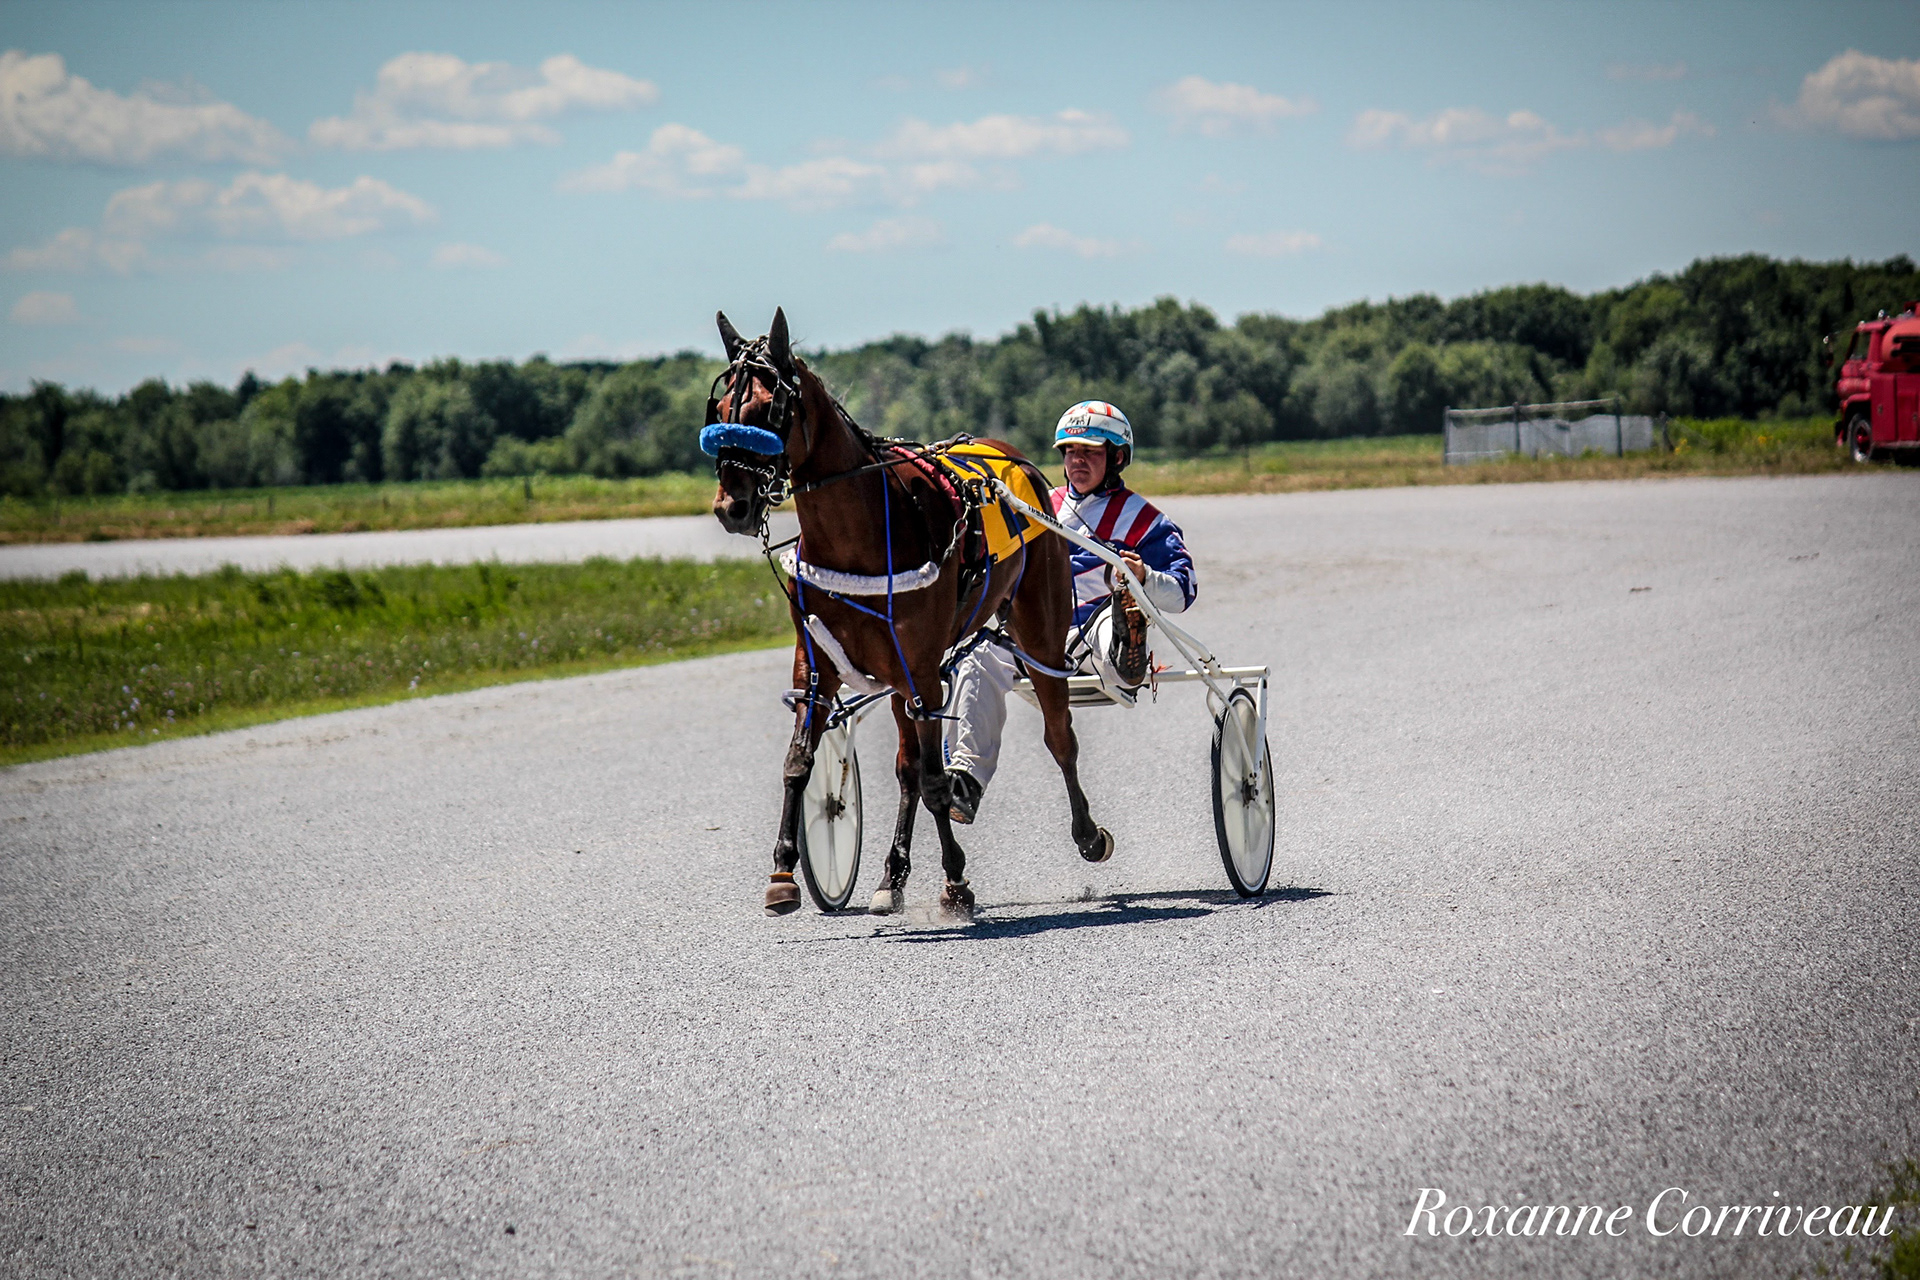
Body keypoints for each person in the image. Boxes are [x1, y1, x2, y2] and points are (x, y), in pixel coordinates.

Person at [943, 400, 1197, 831]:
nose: (1077, 461)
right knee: (977, 659)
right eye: (1070, 452)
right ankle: (966, 779)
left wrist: (1143, 576)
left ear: (1116, 458)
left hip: (1095, 625)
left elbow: (1183, 592)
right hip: (1034, 633)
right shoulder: (1035, 507)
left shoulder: (1146, 520)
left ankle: (1127, 655)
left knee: (1113, 622)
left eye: (1090, 452)